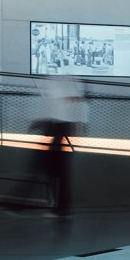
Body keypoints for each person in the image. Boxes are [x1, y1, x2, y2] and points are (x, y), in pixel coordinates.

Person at [37, 76, 87, 216]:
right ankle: (61, 205)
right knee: (59, 168)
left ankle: (61, 205)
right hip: (59, 127)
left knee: (56, 167)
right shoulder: (68, 84)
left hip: (59, 127)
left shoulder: (63, 84)